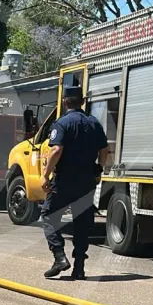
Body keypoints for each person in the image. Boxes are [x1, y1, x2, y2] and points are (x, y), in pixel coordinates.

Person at [40, 86, 109, 280]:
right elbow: (105, 151)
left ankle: (60, 257)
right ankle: (79, 268)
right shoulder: (94, 123)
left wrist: (45, 175)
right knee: (82, 224)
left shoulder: (62, 123)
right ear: (82, 101)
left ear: (64, 102)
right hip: (86, 182)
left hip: (64, 181)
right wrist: (99, 169)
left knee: (48, 216)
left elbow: (56, 150)